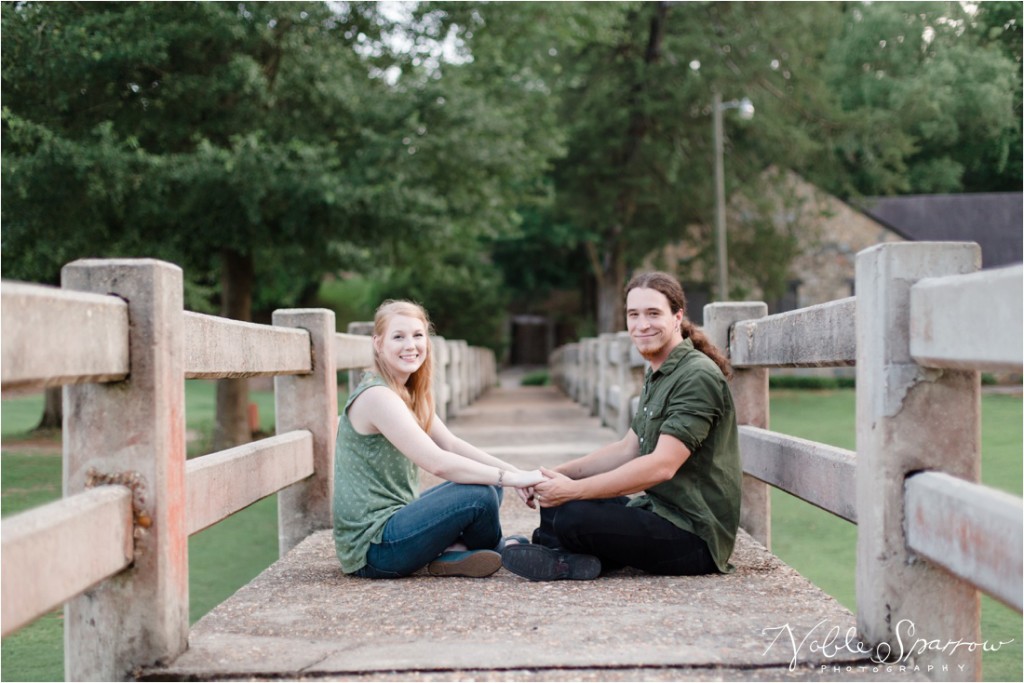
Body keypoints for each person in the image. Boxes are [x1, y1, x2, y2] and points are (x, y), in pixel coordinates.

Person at [501, 271, 742, 581]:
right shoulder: (660, 371)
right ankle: (564, 553)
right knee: (557, 502)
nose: (642, 325)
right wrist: (552, 476)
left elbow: (662, 466)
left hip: (694, 537)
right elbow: (627, 448)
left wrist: (574, 490)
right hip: (658, 511)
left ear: (677, 316)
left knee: (573, 512)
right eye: (634, 315)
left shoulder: (696, 376)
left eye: (653, 313)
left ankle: (558, 552)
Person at [334, 300, 545, 579]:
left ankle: (455, 553)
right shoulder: (377, 397)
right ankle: (500, 551)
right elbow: (438, 463)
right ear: (378, 343)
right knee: (480, 493)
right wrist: (511, 478)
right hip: (374, 548)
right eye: (398, 336)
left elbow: (453, 445)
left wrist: (518, 474)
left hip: (398, 521)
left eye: (417, 335)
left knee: (489, 487)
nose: (411, 345)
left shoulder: (406, 391)